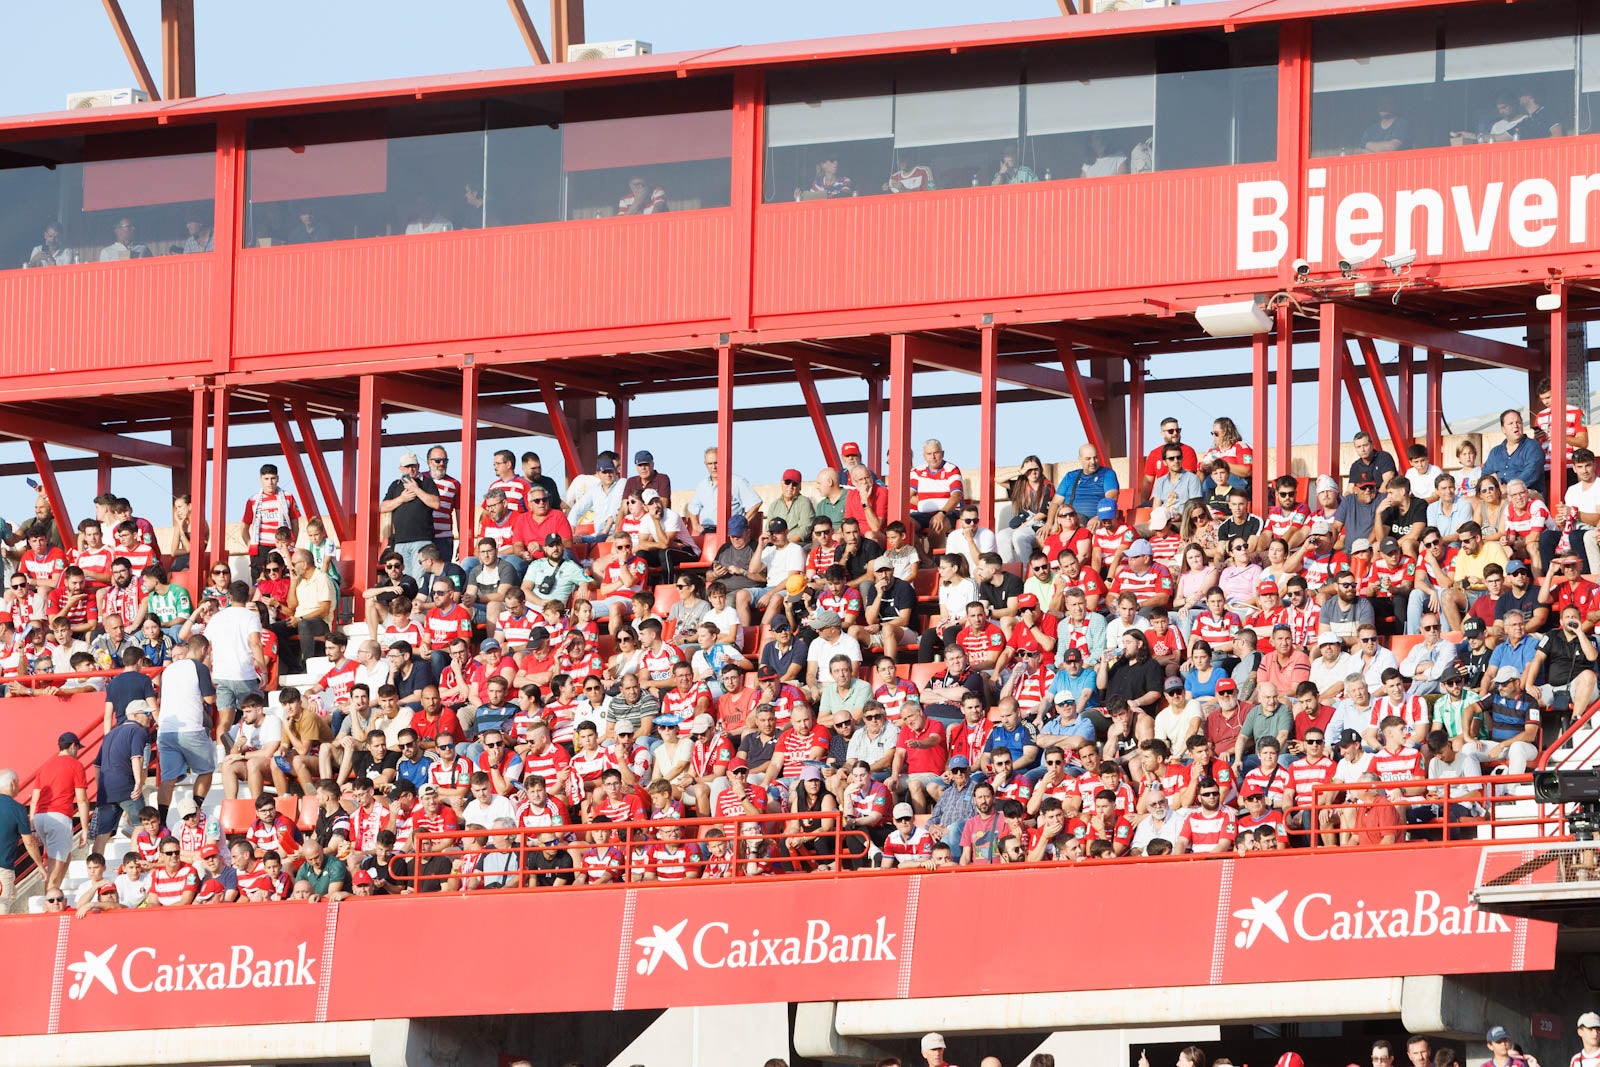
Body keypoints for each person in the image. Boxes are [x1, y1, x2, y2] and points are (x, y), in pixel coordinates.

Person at [381, 452, 443, 580]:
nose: (411, 469)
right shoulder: (395, 485)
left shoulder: (427, 483)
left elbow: (436, 503)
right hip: (400, 541)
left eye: (413, 466)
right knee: (404, 579)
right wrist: (401, 499)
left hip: (421, 540)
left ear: (418, 466)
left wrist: (416, 490)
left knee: (420, 578)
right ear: (401, 468)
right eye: (407, 466)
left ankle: (419, 600)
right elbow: (383, 507)